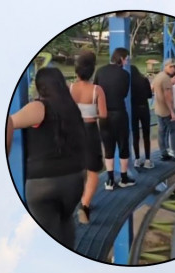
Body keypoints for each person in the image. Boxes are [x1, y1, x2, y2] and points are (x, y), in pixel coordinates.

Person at [6, 67, 85, 248]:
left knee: (47, 239)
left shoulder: (39, 107)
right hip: (74, 181)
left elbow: (9, 122)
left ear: (40, 86)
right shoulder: (72, 109)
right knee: (65, 225)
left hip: (44, 183)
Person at [70, 50, 107, 224]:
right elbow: (104, 114)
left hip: (73, 130)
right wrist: (92, 114)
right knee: (93, 171)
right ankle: (85, 205)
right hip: (90, 129)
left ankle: (74, 200)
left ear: (77, 71)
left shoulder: (70, 88)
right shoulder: (96, 90)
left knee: (77, 168)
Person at [94, 47, 135, 190]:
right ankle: (124, 178)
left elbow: (95, 91)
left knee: (108, 146)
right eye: (126, 59)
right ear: (121, 58)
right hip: (119, 113)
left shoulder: (100, 71)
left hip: (103, 115)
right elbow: (124, 94)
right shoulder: (125, 74)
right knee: (123, 145)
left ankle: (110, 180)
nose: (126, 62)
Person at [152, 59, 175, 162]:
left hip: (158, 109)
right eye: (170, 67)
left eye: (173, 66)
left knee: (162, 131)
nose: (173, 69)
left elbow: (152, 88)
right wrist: (172, 111)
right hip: (166, 110)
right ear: (165, 66)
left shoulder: (158, 76)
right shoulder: (166, 79)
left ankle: (163, 153)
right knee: (174, 129)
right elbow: (168, 96)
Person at [130, 64, 154, 169]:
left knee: (135, 135)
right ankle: (148, 160)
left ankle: (137, 159)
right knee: (146, 134)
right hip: (144, 108)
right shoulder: (144, 80)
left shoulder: (128, 82)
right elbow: (149, 95)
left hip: (133, 109)